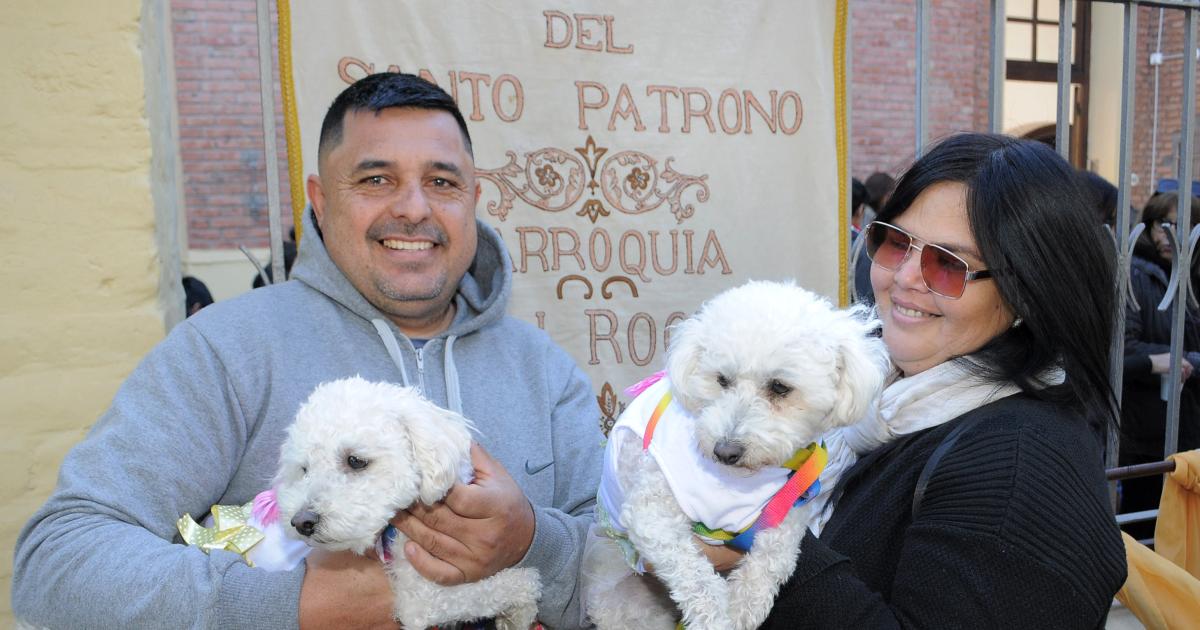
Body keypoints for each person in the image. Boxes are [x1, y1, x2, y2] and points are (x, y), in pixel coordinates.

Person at [13, 73, 603, 629]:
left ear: (474, 197)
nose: (414, 208)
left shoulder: (544, 368)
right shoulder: (225, 349)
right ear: (320, 199)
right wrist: (284, 605)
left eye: (442, 182)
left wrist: (533, 544)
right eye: (376, 179)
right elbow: (58, 561)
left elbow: (635, 571)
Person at [762, 133, 1126, 627]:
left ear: (1027, 291)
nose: (905, 277)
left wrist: (761, 547)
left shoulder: (1017, 469)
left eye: (947, 264)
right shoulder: (880, 405)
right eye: (896, 242)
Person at [1120, 191, 1200, 539]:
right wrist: (1171, 358)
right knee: (1144, 527)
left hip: (1187, 425)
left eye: (1185, 226)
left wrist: (1187, 360)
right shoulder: (1137, 275)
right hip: (1147, 430)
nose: (1171, 236)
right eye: (1163, 225)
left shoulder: (1191, 275)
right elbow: (1124, 348)